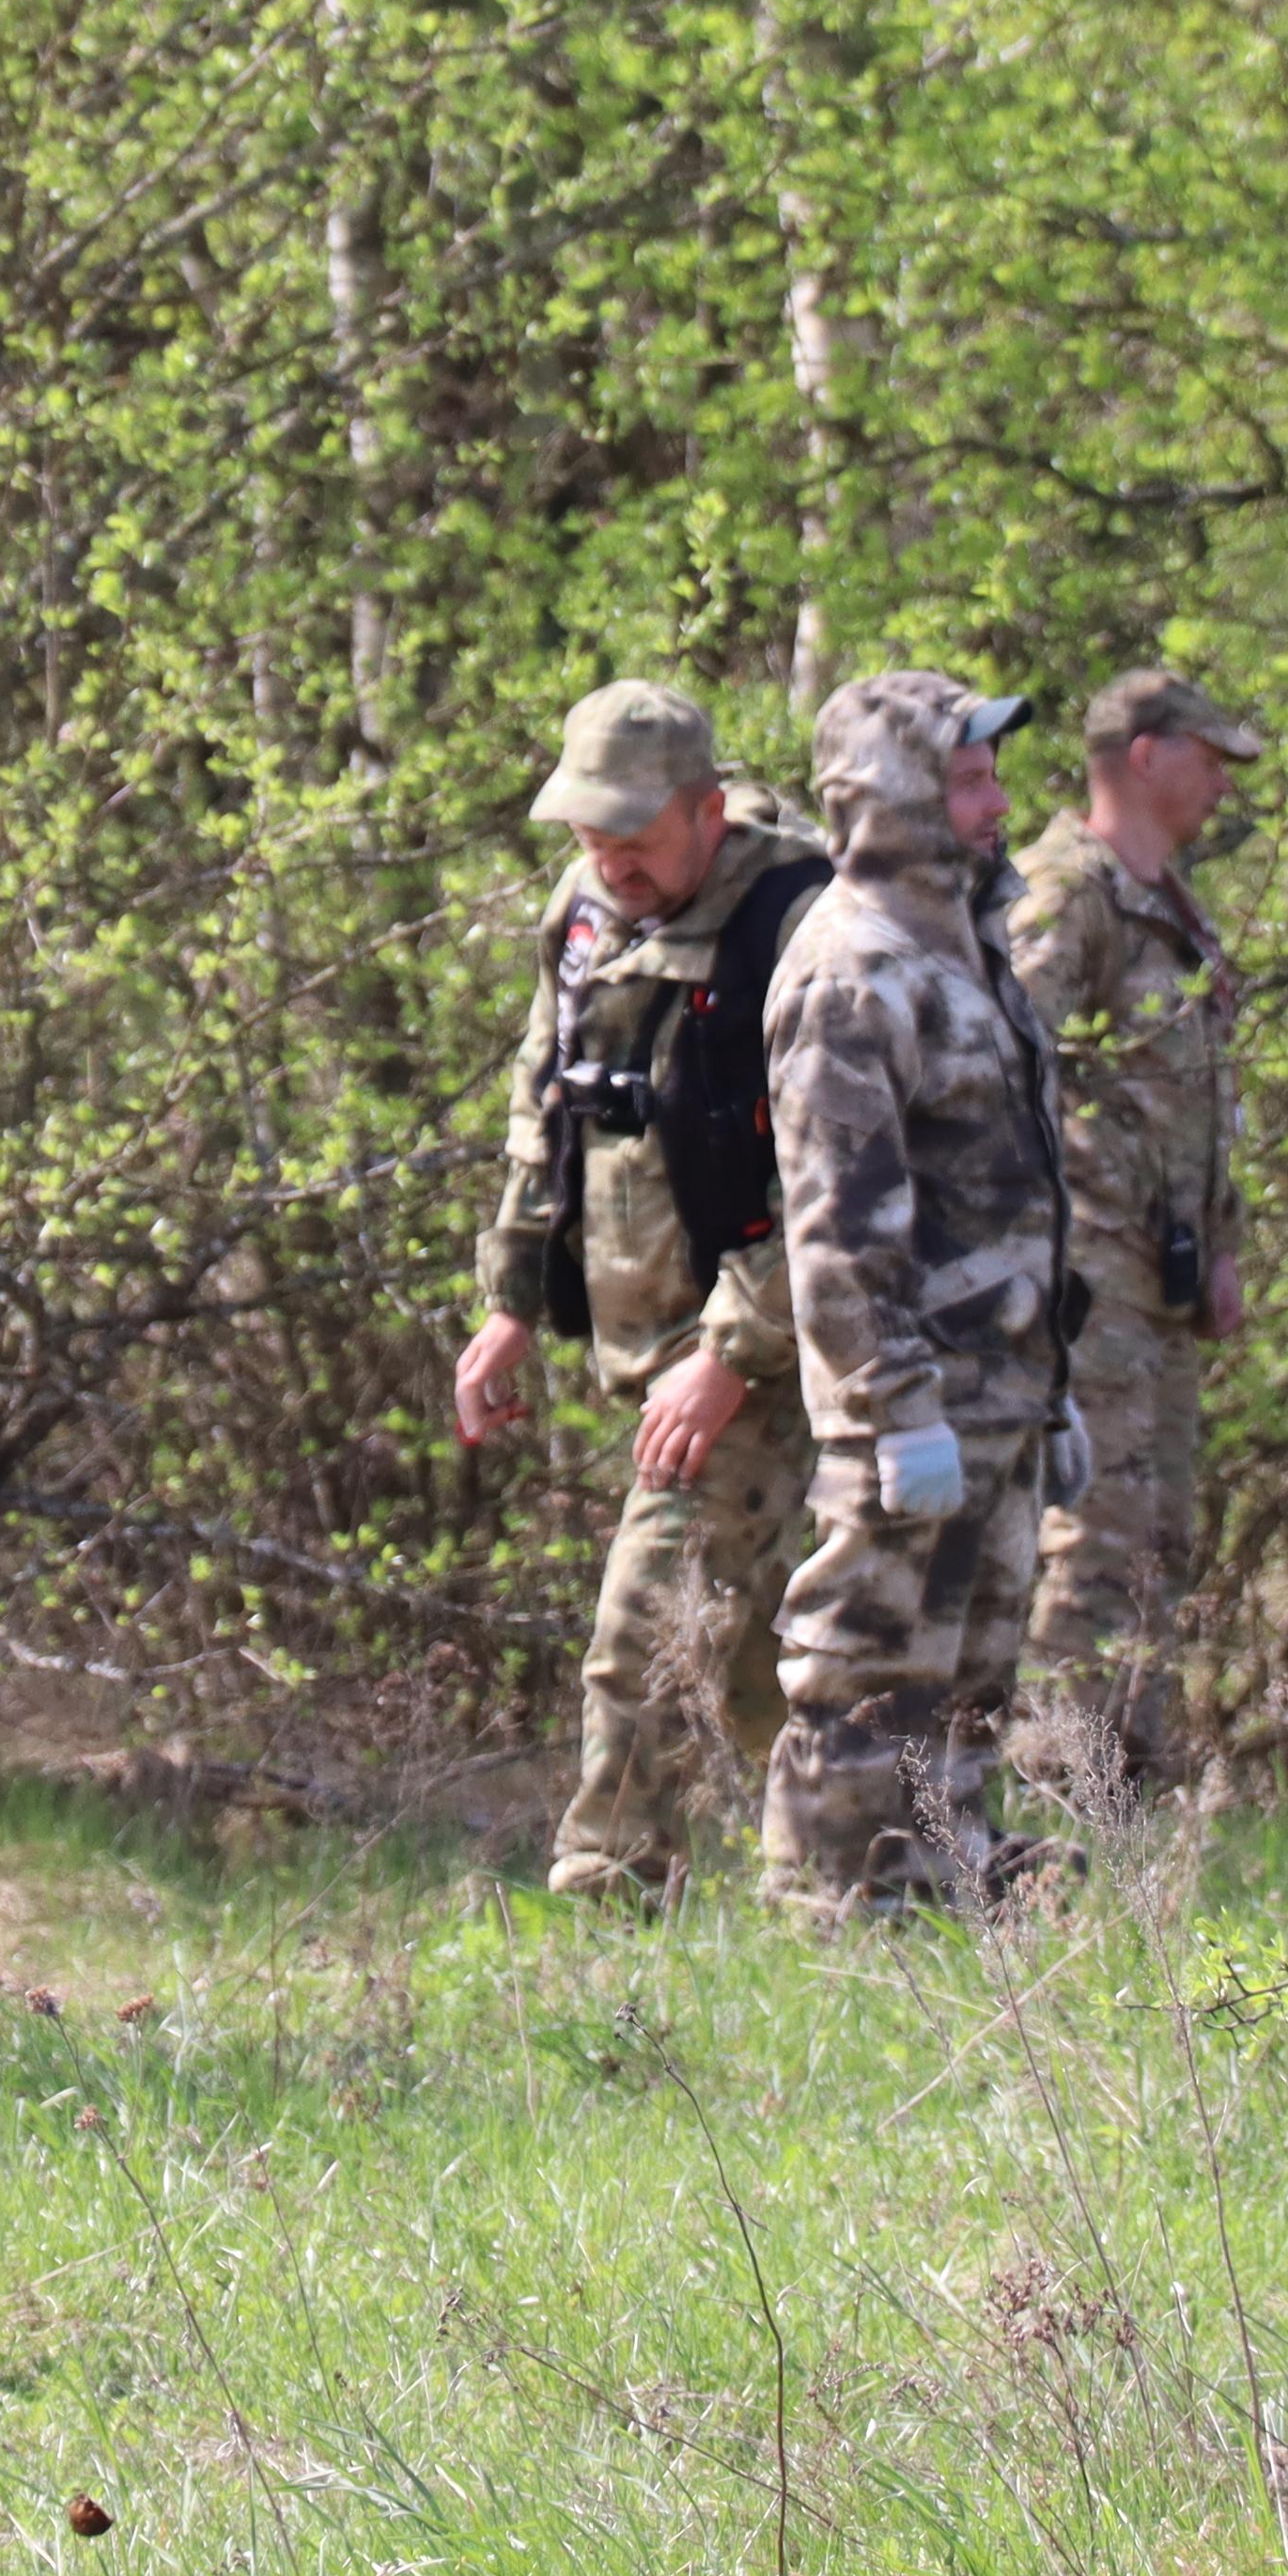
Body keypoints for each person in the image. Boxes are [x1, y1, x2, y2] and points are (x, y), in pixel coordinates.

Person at [450, 681, 835, 1900]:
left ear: (708, 810)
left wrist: (730, 1353)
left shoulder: (801, 920)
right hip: (651, 1341)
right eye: (588, 832)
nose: (608, 858)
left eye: (636, 833)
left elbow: (849, 1178)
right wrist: (513, 1301)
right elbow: (543, 1105)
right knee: (757, 1659)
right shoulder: (588, 910)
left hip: (773, 1346)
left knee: (648, 1622)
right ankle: (881, 1862)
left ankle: (608, 1886)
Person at [756, 669, 1081, 1915]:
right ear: (893, 796)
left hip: (1001, 1393)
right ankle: (828, 1921)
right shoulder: (851, 972)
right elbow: (838, 1225)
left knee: (972, 1673)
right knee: (864, 1671)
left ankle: (939, 1889)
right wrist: (897, 1408)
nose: (997, 803)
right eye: (966, 777)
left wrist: (1054, 1391)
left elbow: (1021, 1186)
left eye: (992, 773)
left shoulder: (969, 948)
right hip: (912, 1405)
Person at [1009, 669, 1263, 1811]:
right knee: (1095, 1534)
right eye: (1209, 757)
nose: (1220, 782)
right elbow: (1010, 1066)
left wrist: (1220, 1245)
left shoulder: (1171, 902)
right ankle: (1062, 1791)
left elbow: (1197, 1095)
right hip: (1089, 1271)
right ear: (1145, 754)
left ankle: (1131, 1794)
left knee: (1158, 1535)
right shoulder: (1070, 891)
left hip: (1160, 1277)